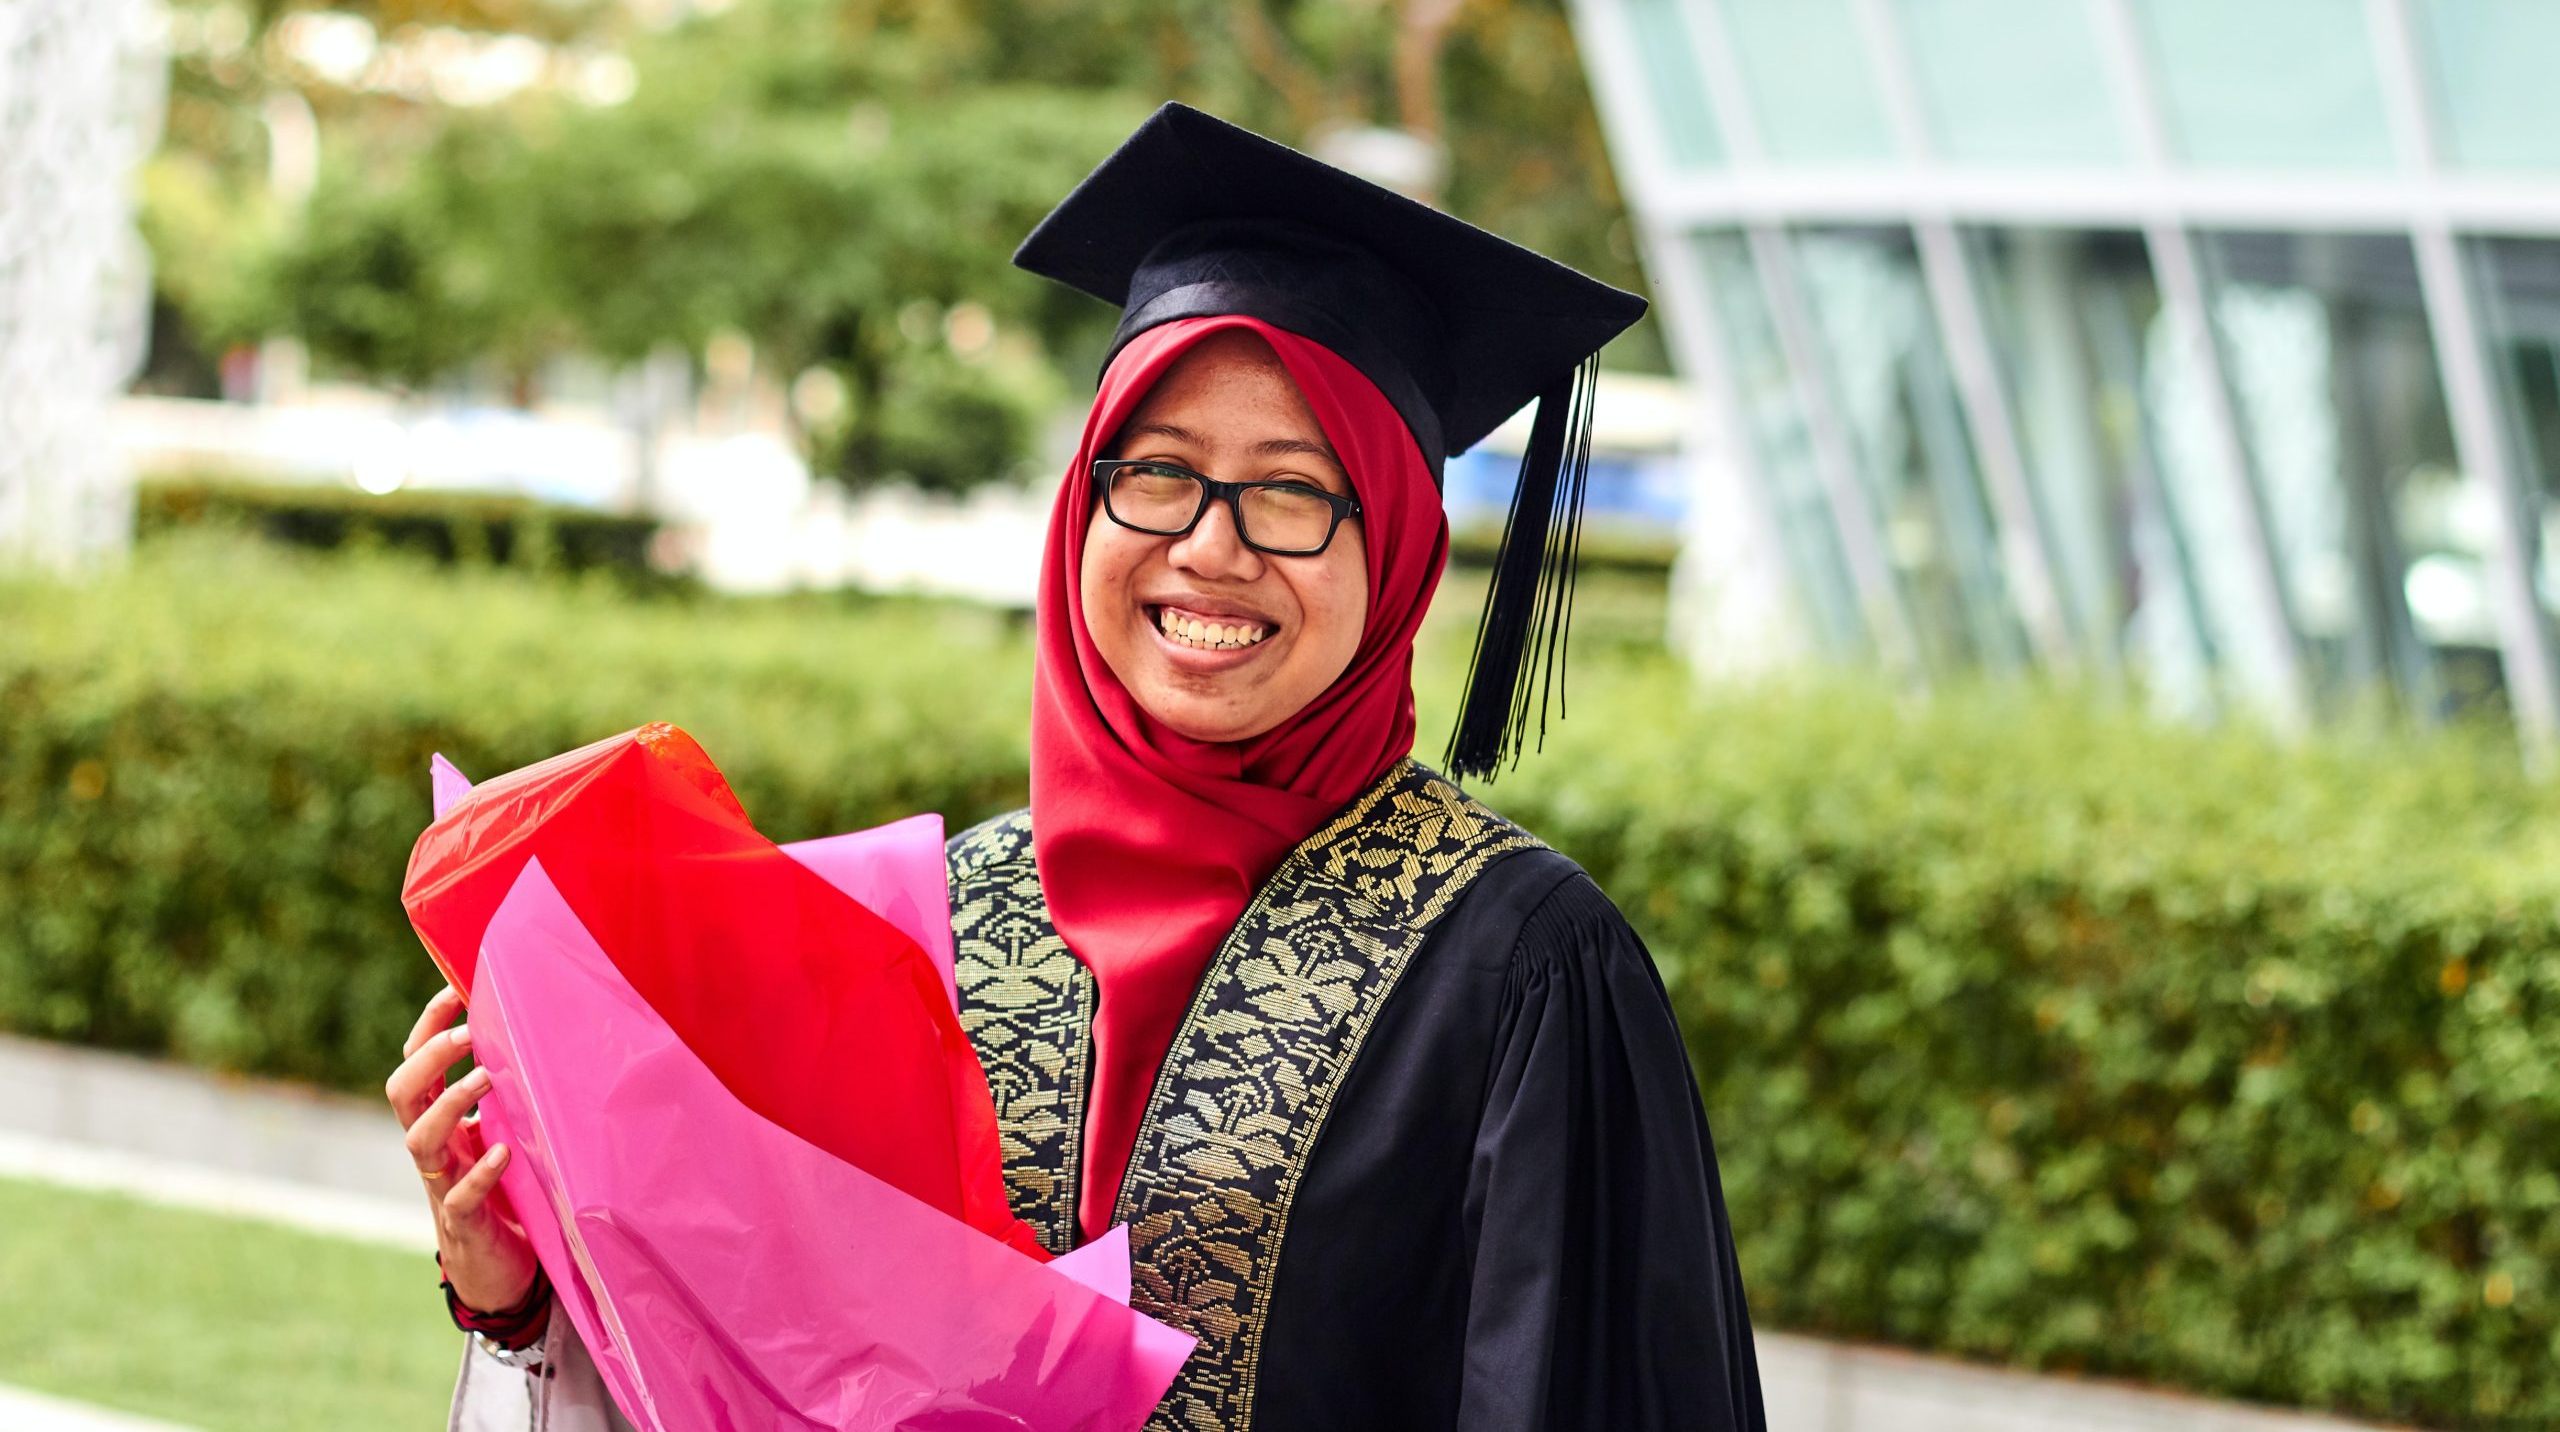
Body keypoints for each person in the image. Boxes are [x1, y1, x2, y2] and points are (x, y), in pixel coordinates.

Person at [388, 102, 1766, 1431]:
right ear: (1079, 507)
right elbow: (750, 1368)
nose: (1210, 548)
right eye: (1156, 473)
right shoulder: (932, 924)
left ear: (1398, 551)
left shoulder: (1521, 969)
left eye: (1294, 490)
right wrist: (515, 1290)